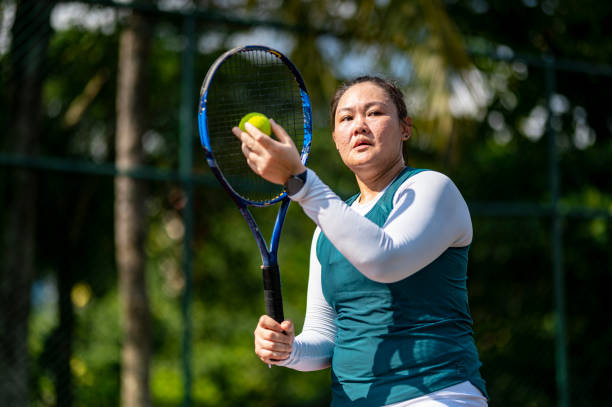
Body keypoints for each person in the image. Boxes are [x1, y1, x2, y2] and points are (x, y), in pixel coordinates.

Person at [232, 76, 488, 407]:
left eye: (375, 113)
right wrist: (290, 350)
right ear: (336, 138)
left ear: (405, 128)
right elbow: (326, 337)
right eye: (346, 118)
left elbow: (385, 259)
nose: (359, 126)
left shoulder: (432, 188)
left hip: (437, 394)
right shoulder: (327, 229)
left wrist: (300, 182)